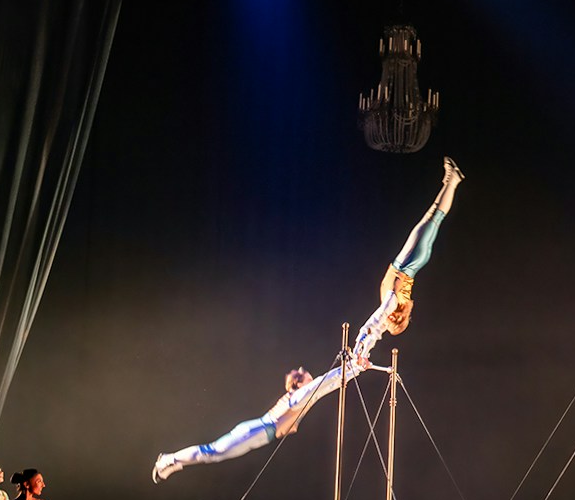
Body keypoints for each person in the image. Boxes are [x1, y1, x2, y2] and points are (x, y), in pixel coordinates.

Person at [152, 158, 464, 482]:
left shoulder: (391, 300)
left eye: (298, 373)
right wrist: (357, 361)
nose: (299, 371)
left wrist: (357, 359)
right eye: (298, 373)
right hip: (262, 428)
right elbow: (339, 366)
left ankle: (451, 182)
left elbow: (361, 341)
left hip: (265, 428)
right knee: (213, 452)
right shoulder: (395, 295)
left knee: (214, 452)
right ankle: (170, 459)